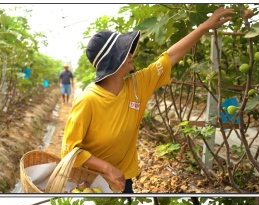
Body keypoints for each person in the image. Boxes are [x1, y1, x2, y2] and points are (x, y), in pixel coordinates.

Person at [61, 8, 234, 193]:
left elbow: (170, 57)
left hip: (121, 181)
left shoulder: (138, 85)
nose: (131, 54)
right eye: (124, 51)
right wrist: (107, 167)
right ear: (114, 61)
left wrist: (204, 27)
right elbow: (69, 151)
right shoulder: (88, 100)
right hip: (88, 183)